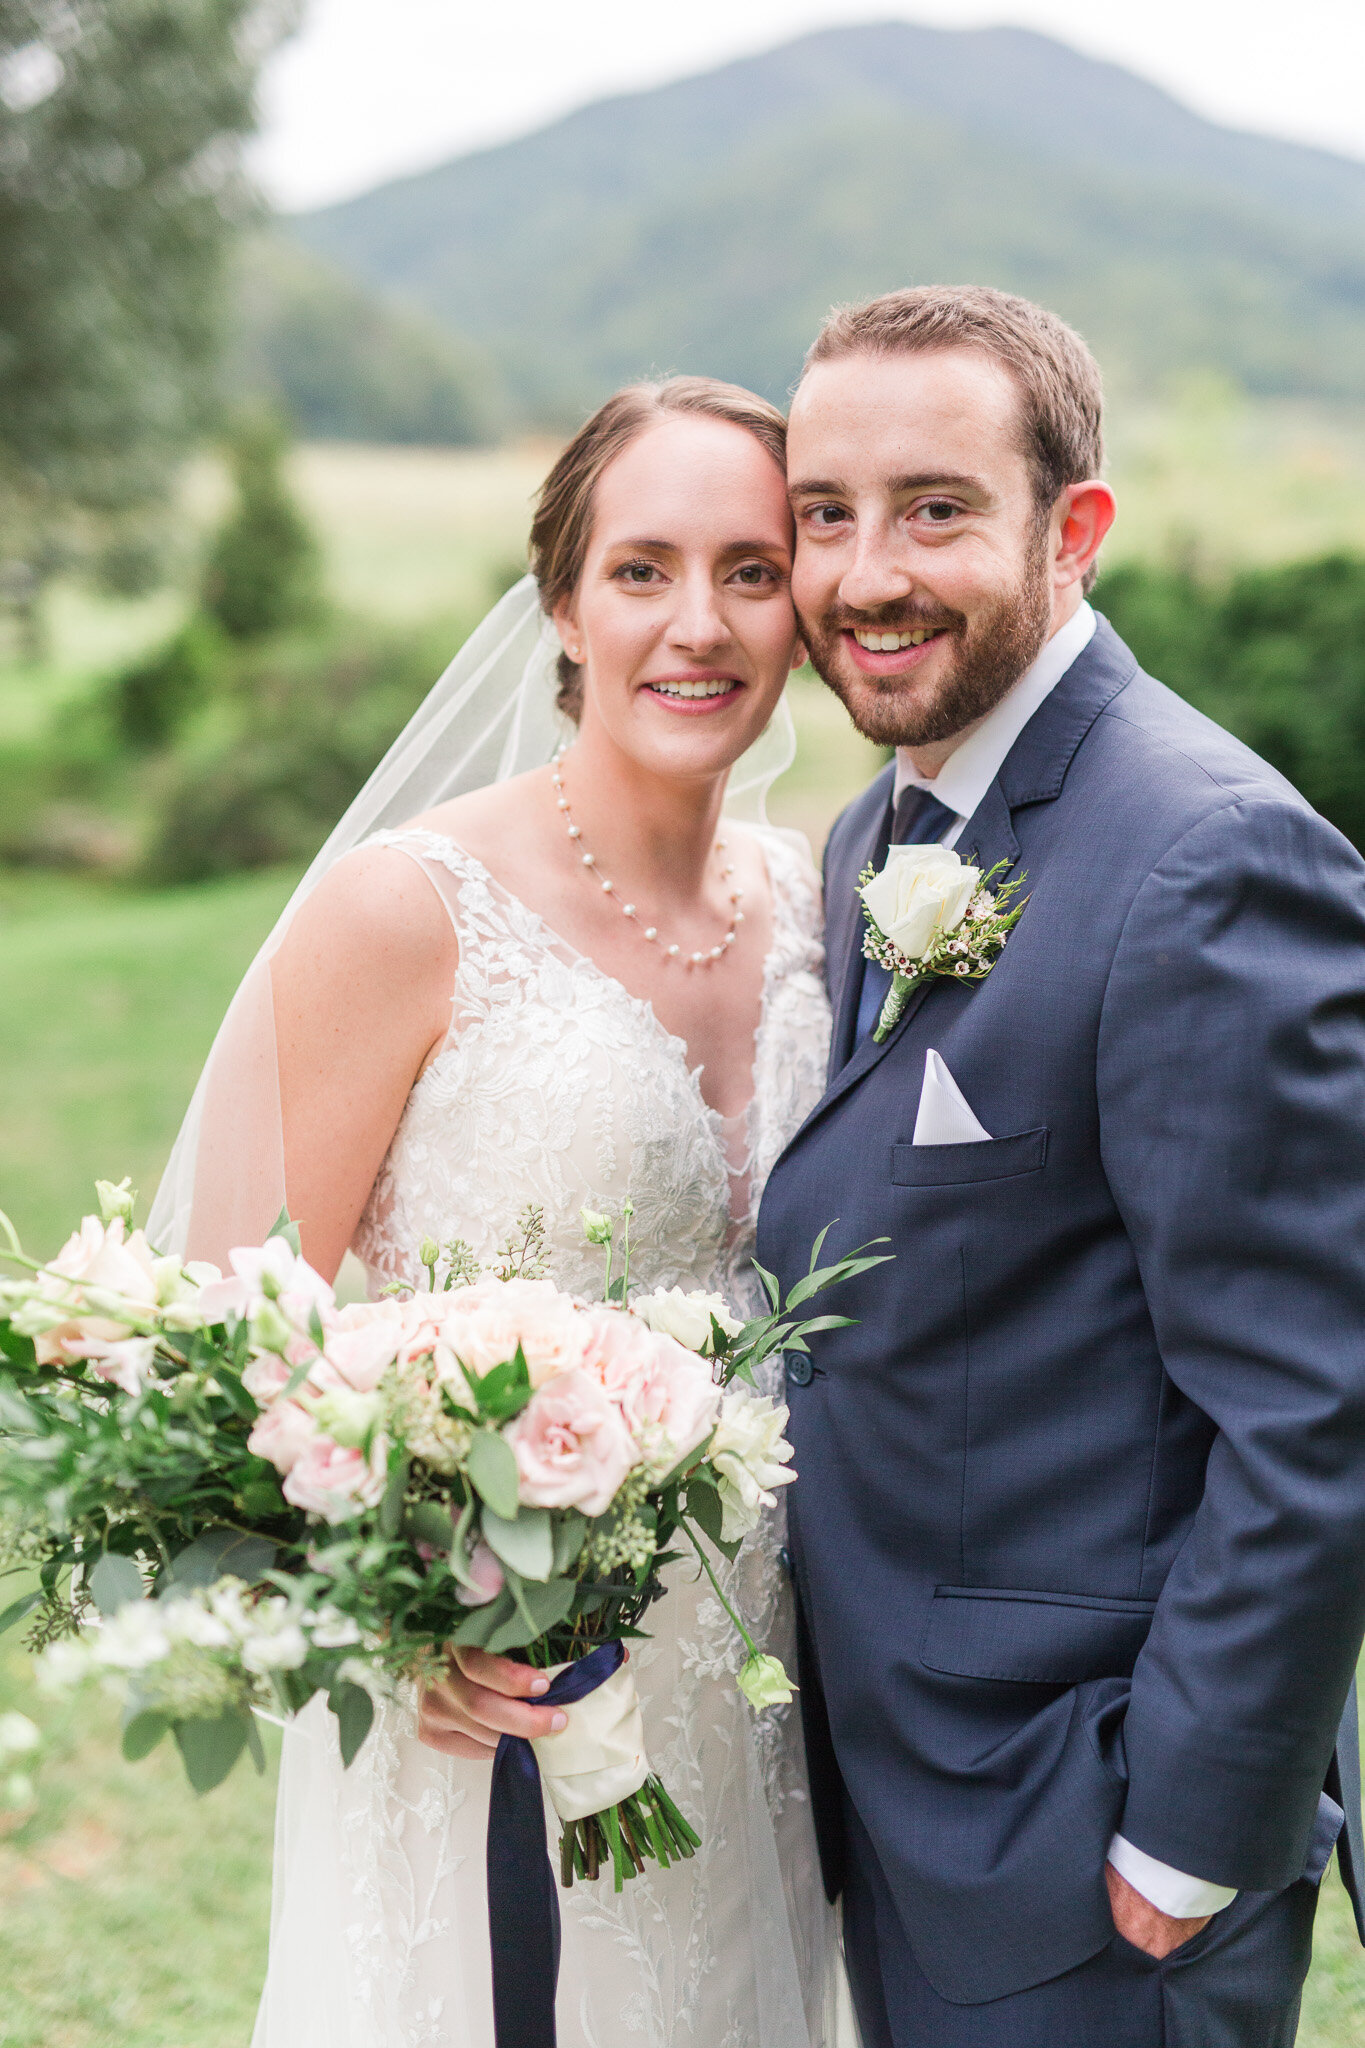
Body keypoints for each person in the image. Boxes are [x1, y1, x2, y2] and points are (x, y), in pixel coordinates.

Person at [150, 377, 841, 2046]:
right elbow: (205, 1361)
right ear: (559, 600)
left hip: (776, 1690)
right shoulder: (406, 911)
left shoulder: (836, 892)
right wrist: (403, 1621)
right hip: (486, 1701)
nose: (701, 624)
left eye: (752, 570)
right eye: (642, 569)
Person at [756, 282, 1365, 2047]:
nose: (865, 574)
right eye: (824, 515)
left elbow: (1313, 1403)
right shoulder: (883, 823)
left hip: (1084, 1838)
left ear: (1072, 531)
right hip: (914, 1803)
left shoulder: (1207, 857)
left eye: (935, 509)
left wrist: (1184, 1830)